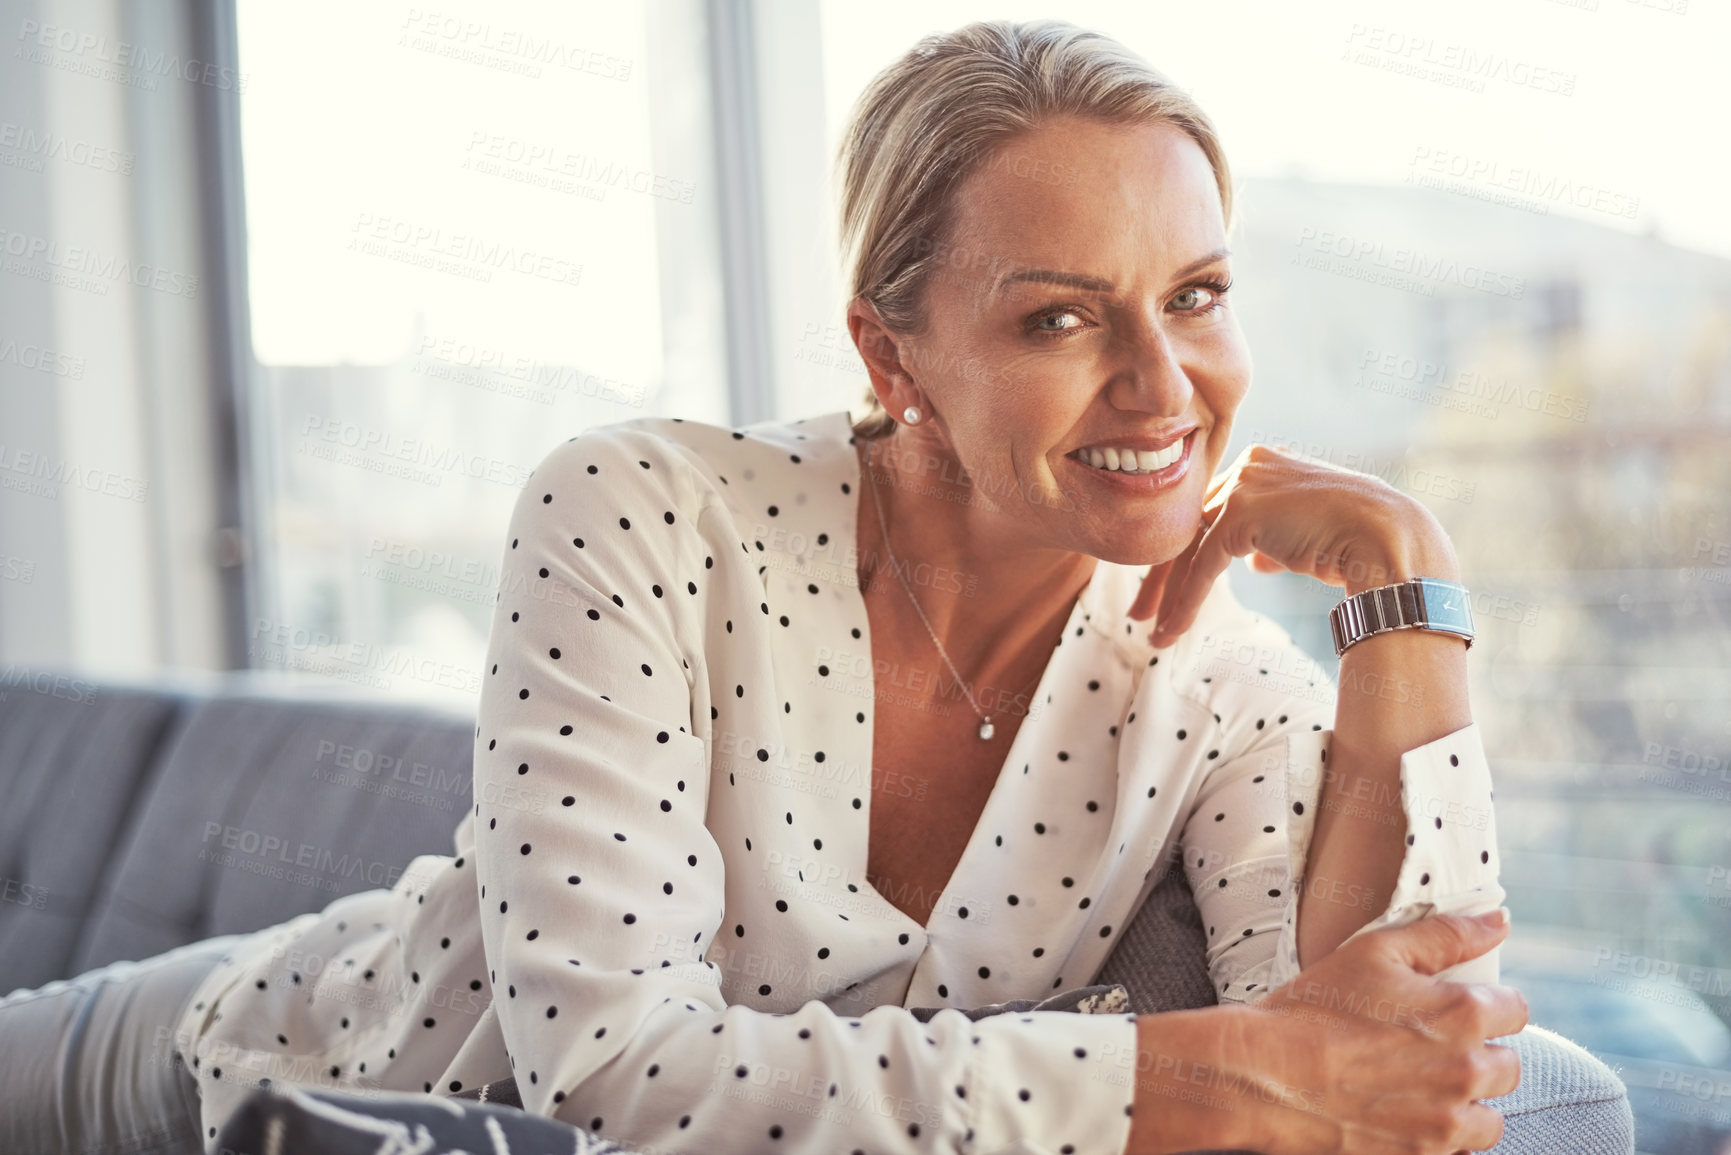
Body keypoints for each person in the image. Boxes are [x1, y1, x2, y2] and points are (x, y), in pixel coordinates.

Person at [1, 18, 1629, 1155]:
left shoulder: (1228, 686)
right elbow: (617, 1084)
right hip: (258, 1067)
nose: (1162, 382)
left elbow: (1407, 1076)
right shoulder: (642, 512)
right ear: (888, 349)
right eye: (1059, 318)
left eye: (1196, 297)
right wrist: (1207, 1082)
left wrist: (1407, 590)